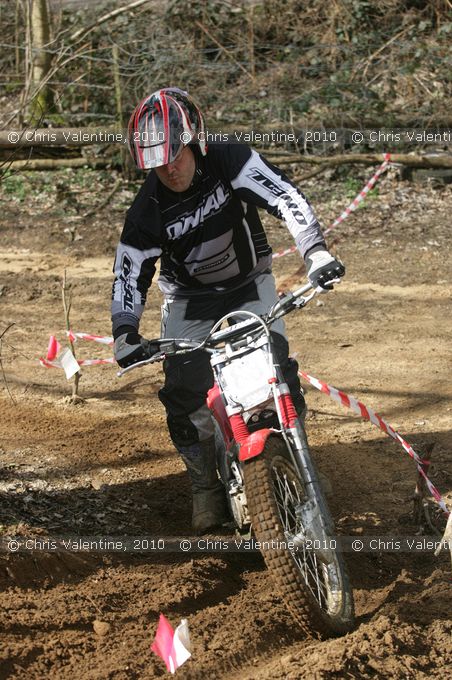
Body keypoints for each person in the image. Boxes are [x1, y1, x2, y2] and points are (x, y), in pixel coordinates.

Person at [112, 87, 344, 534]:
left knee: (276, 369)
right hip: (188, 301)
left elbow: (285, 197)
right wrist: (125, 332)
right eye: (156, 161)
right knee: (183, 394)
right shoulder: (147, 210)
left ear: (193, 139)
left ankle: (300, 461)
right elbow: (128, 275)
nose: (169, 168)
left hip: (249, 283)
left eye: (175, 153)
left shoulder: (229, 159)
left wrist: (315, 253)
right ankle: (206, 487)